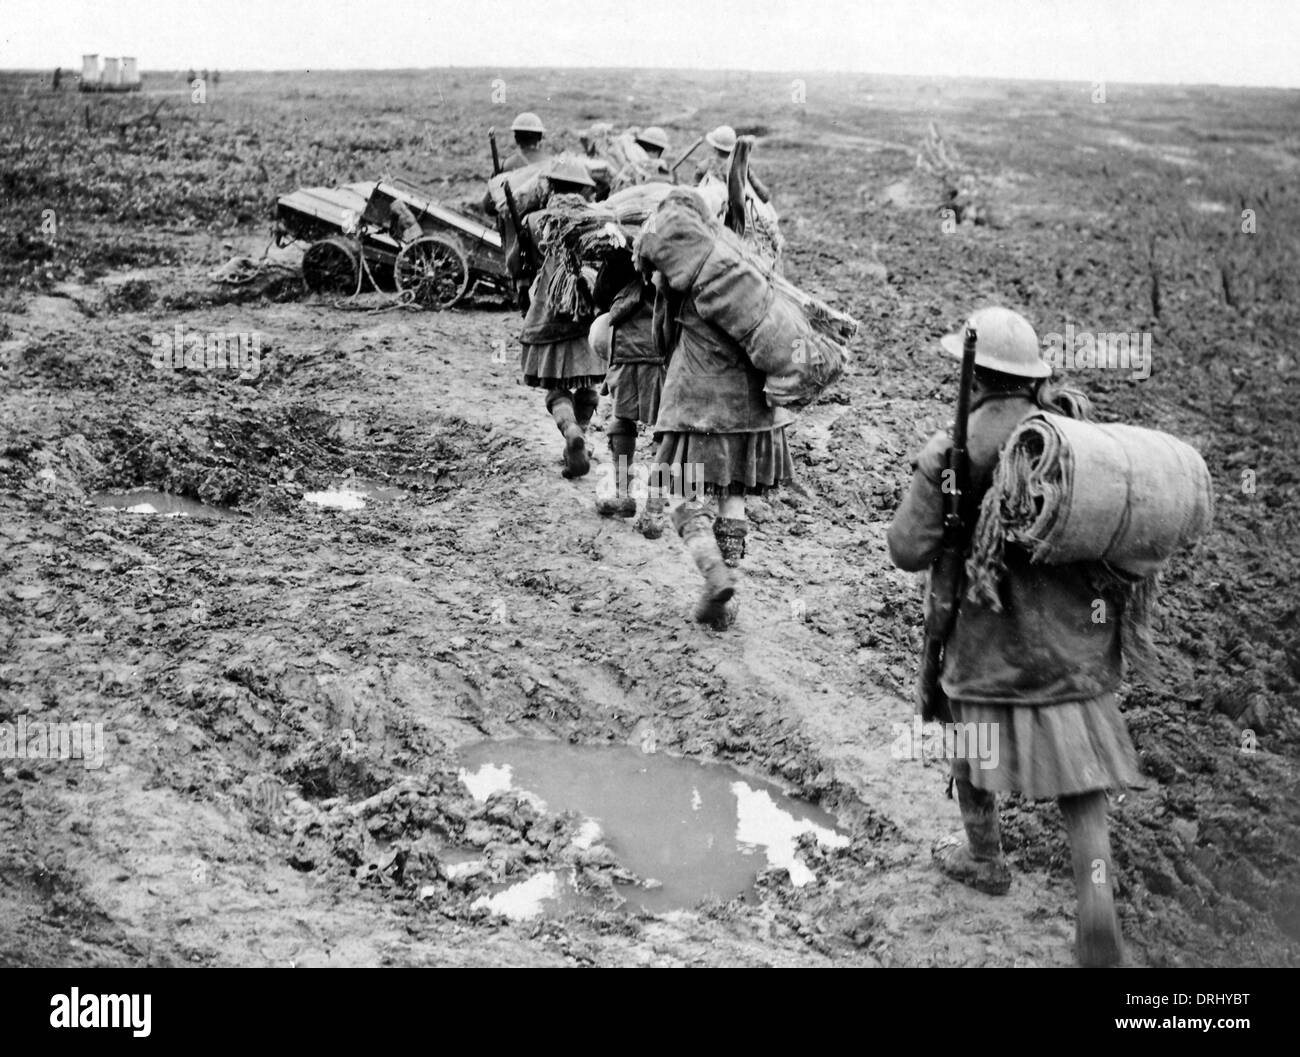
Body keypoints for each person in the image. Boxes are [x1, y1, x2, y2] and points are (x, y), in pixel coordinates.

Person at [885, 305, 1140, 968]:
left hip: (986, 645)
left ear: (978, 377)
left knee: (969, 738)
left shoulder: (952, 449)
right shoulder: (1068, 439)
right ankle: (1096, 908)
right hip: (1074, 648)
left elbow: (906, 549)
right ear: (1028, 378)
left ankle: (985, 858)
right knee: (1083, 782)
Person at [641, 189, 795, 628]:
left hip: (699, 409)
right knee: (733, 497)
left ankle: (713, 574)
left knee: (683, 494)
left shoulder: (677, 281)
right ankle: (727, 600)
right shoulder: (740, 267)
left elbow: (660, 342)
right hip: (754, 413)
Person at [518, 157, 605, 479]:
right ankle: (581, 432)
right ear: (584, 190)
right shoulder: (597, 220)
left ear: (551, 186)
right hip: (589, 319)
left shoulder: (534, 220)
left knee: (556, 389)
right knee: (588, 385)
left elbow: (519, 267)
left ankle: (571, 432)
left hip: (549, 319)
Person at [588, 245, 667, 537]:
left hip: (628, 348)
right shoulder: (684, 247)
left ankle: (623, 493)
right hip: (667, 351)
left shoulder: (622, 248)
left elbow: (601, 295)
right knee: (668, 430)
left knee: (622, 419)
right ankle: (658, 507)